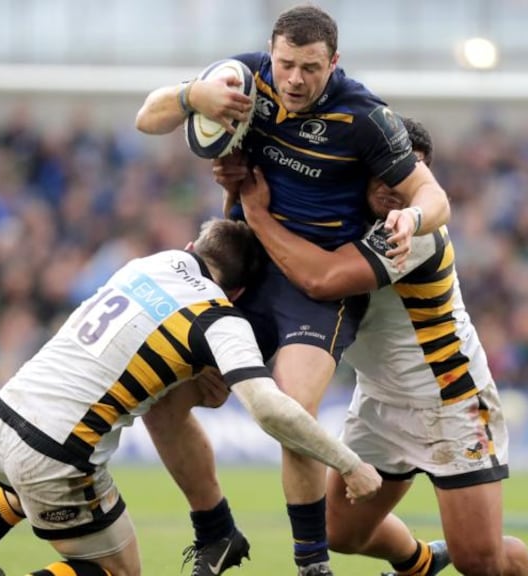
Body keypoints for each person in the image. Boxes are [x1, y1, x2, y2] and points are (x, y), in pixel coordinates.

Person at [147, 118, 528, 576]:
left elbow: (322, 281)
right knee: (339, 532)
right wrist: (233, 177)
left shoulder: (413, 233)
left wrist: (259, 214)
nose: (395, 190)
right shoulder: (338, 213)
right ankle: (420, 563)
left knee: (479, 561)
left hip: (450, 398)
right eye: (388, 173)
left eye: (410, 178)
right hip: (380, 400)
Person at [136, 6, 451, 575]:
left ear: (334, 62)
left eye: (311, 67)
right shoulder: (242, 82)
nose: (296, 80)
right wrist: (192, 96)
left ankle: (311, 564)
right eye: (286, 65)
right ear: (271, 54)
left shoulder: (365, 116)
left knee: (292, 408)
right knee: (163, 402)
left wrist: (414, 220)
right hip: (244, 276)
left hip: (318, 287)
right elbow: (147, 118)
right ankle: (215, 531)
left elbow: (433, 194)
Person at [0, 218, 382, 576]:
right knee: (120, 573)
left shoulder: (149, 263)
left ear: (194, 247)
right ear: (236, 291)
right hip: (55, 451)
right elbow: (269, 407)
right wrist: (348, 463)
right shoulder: (220, 317)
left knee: (15, 495)